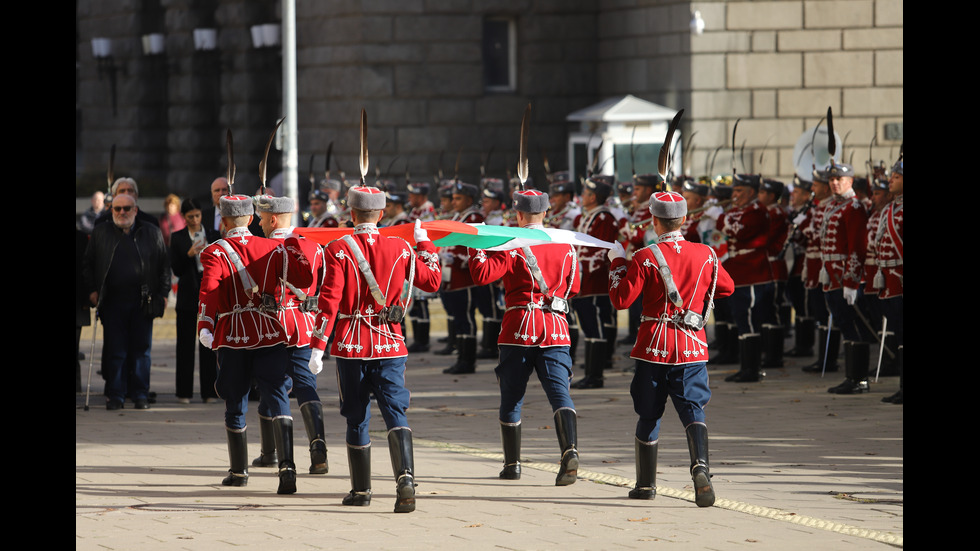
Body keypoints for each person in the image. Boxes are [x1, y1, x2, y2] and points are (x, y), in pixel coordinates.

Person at [307, 186, 442, 513]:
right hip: (390, 344)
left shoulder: (337, 249)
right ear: (381, 215)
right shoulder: (401, 247)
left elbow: (329, 302)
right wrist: (423, 241)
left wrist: (317, 347)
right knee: (396, 411)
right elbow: (433, 280)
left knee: (356, 417)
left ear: (351, 215)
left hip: (351, 346)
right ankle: (406, 479)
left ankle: (362, 489)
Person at [607, 191, 735, 507]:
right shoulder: (705, 253)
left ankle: (646, 484)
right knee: (693, 408)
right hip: (693, 345)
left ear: (654, 220)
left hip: (654, 346)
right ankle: (700, 468)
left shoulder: (645, 256)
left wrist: (617, 265)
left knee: (649, 412)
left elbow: (621, 299)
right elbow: (728, 287)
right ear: (685, 219)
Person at [197, 194, 314, 494]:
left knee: (235, 400)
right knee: (277, 395)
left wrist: (205, 325)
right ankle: (287, 465)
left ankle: (239, 471)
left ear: (223, 221)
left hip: (233, 334)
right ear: (251, 219)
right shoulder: (274, 247)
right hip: (269, 331)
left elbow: (209, 291)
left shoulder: (215, 252)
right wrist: (293, 243)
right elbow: (303, 279)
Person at [468, 189, 583, 486]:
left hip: (519, 328)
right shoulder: (566, 246)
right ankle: (569, 449)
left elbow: (482, 274)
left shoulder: (512, 244)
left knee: (511, 398)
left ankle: (512, 464)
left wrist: (476, 245)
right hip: (556, 328)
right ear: (545, 213)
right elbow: (576, 286)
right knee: (560, 394)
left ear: (518, 215)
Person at [252, 195, 331, 475]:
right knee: (306, 385)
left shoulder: (261, 248)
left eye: (262, 218)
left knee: (273, 388)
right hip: (306, 326)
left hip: (272, 327)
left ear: (273, 219)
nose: (259, 224)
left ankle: (278, 457)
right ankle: (317, 448)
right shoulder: (315, 247)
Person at [84, 192, 171, 410]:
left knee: (142, 350)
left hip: (143, 300)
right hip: (112, 301)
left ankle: (140, 394)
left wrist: (163, 293)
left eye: (126, 209)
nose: (122, 213)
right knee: (116, 350)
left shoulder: (151, 232)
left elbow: (164, 266)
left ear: (136, 210)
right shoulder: (101, 232)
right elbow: (88, 265)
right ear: (111, 209)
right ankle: (116, 395)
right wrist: (92, 291)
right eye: (117, 208)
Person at [713, 173, 773, 382]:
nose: (735, 195)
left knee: (748, 319)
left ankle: (752, 369)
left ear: (751, 193)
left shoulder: (757, 211)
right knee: (740, 319)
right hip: (738, 272)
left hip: (752, 273)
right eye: (734, 191)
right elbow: (723, 226)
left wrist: (722, 219)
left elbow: (740, 232)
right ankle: (745, 366)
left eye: (739, 191)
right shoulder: (738, 211)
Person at [819, 164, 871, 394]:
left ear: (850, 180)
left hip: (845, 277)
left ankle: (859, 379)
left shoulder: (854, 207)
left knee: (855, 325)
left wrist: (851, 282)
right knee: (843, 323)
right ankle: (851, 376)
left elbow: (857, 247)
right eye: (831, 179)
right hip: (831, 276)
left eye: (839, 178)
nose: (834, 182)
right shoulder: (832, 206)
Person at [169, 198, 220, 404]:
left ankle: (209, 391)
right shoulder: (178, 237)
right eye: (190, 217)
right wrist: (189, 254)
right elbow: (176, 269)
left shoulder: (213, 234)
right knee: (185, 346)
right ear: (184, 217)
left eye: (197, 216)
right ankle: (184, 392)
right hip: (187, 295)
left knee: (208, 345)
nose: (194, 220)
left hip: (208, 293)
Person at [570, 177, 619, 389]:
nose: (582, 197)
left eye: (586, 193)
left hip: (595, 282)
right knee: (589, 328)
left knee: (596, 328)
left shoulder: (604, 218)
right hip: (584, 281)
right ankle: (590, 373)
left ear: (593, 196)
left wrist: (583, 267)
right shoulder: (586, 216)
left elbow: (603, 250)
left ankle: (596, 375)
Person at [439, 181, 492, 374]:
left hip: (464, 277)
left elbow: (476, 245)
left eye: (458, 198)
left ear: (469, 199)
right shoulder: (459, 216)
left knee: (466, 319)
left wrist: (459, 258)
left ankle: (467, 361)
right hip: (452, 276)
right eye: (452, 198)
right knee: (459, 318)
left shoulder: (474, 217)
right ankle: (460, 357)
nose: (453, 202)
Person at [876, 160, 903, 404]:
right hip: (890, 280)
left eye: (896, 176)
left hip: (900, 277)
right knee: (898, 331)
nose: (891, 179)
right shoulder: (890, 209)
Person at [405, 182, 437, 352]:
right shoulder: (415, 211)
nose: (410, 198)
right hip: (414, 257)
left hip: (422, 257)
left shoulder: (427, 212)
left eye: (413, 196)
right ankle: (418, 338)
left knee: (421, 302)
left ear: (421, 197)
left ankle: (423, 340)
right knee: (415, 302)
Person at [93, 178, 160, 229]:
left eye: (130, 191)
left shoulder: (151, 223)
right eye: (122, 191)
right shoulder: (101, 223)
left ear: (136, 196)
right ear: (114, 196)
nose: (126, 194)